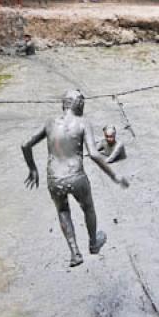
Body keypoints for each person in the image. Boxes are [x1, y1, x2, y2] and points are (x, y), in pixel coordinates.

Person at [22, 89, 129, 267]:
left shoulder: (50, 122)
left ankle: (75, 253)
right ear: (78, 105)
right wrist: (114, 175)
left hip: (54, 178)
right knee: (88, 208)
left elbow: (25, 144)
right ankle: (93, 244)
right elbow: (94, 154)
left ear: (63, 104)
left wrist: (33, 169)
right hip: (76, 176)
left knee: (63, 211)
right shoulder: (82, 123)